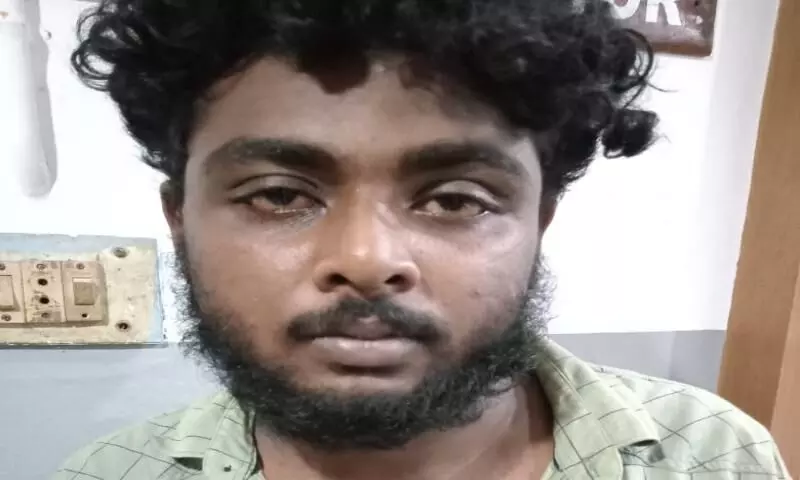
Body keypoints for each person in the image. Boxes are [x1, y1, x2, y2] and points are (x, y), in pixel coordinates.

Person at [55, 1, 789, 479]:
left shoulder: (711, 457)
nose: (367, 260)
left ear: (539, 220)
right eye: (279, 195)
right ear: (180, 219)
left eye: (455, 199)